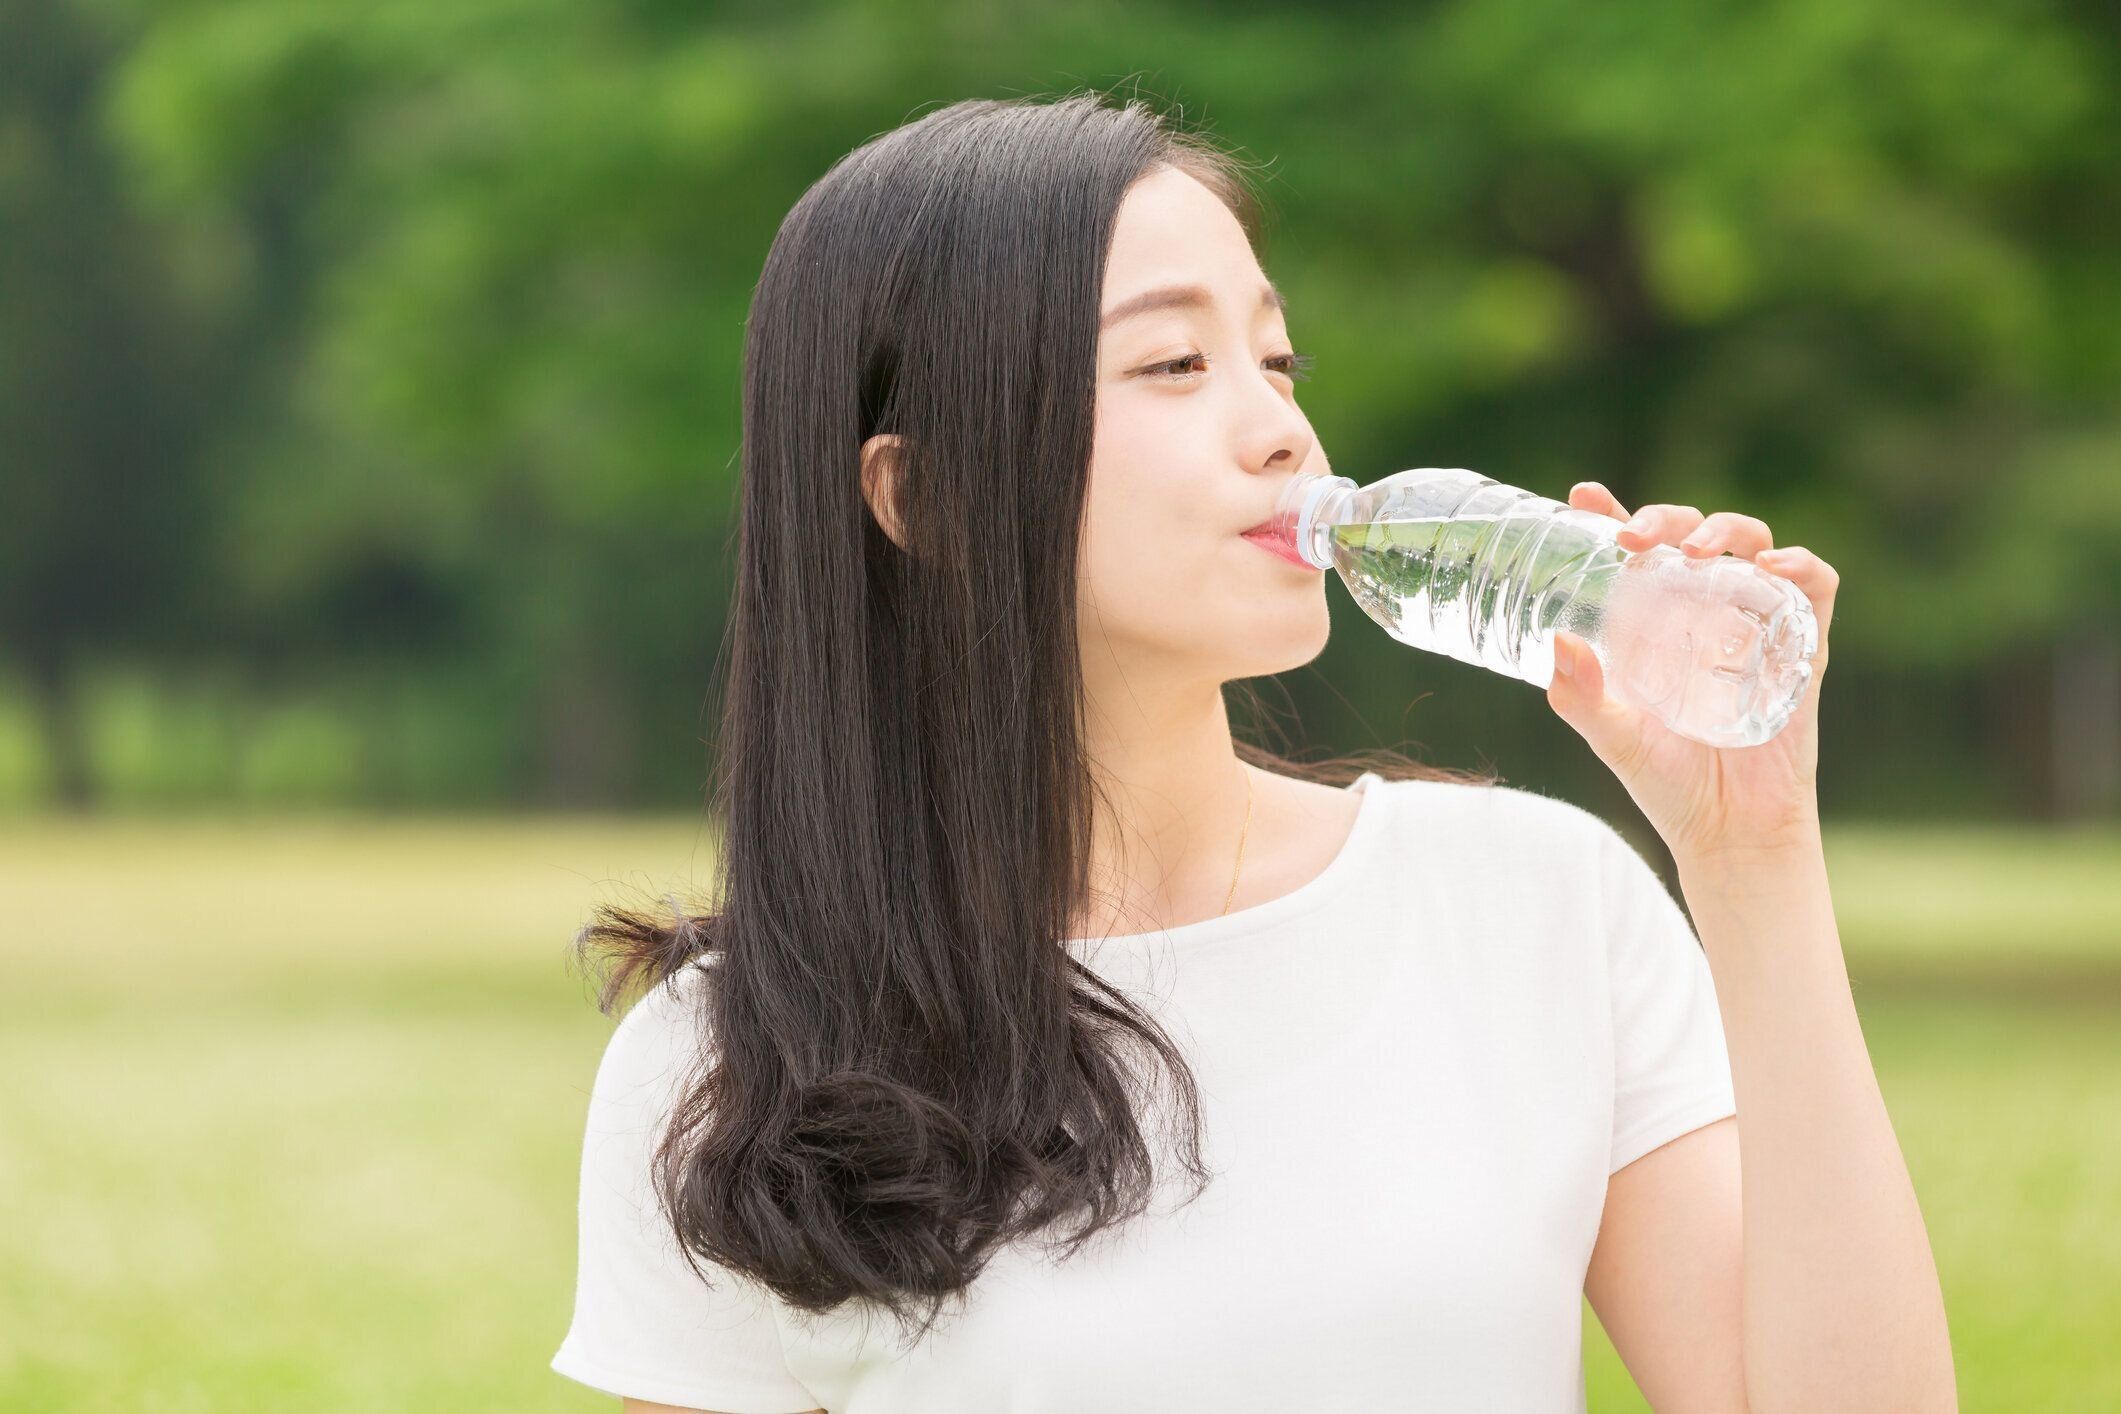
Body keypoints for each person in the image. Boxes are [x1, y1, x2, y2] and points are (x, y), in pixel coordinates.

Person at [550, 91, 1954, 1413]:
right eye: (1174, 362)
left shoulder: (1534, 903)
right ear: (921, 493)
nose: (1281, 430)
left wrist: (1750, 849)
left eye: (1275, 360)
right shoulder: (738, 1062)